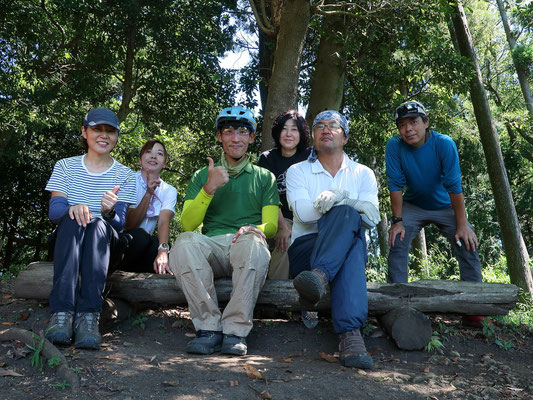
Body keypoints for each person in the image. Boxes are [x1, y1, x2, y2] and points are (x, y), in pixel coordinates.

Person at [169, 106, 279, 356]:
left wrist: (255, 228)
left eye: (242, 132)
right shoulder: (202, 175)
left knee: (254, 242)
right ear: (219, 137)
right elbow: (187, 224)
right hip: (213, 247)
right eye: (228, 131)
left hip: (246, 244)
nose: (235, 138)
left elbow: (270, 226)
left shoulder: (264, 177)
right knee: (184, 242)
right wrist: (209, 188)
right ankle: (208, 328)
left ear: (251, 137)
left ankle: (235, 331)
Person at [286, 110, 380, 369]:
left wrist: (341, 198)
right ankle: (351, 336)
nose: (326, 129)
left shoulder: (363, 173)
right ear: (314, 137)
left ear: (345, 136)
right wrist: (347, 207)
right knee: (349, 224)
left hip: (329, 263)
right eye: (320, 126)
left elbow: (373, 218)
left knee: (349, 227)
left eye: (333, 126)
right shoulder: (298, 171)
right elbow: (304, 214)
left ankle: (321, 277)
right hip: (306, 249)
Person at [45, 108, 137, 349]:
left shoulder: (125, 174)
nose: (104, 135)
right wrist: (72, 208)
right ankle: (61, 315)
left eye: (110, 131)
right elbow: (55, 213)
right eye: (97, 129)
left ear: (117, 137)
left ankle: (88, 317)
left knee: (97, 223)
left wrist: (108, 212)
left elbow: (120, 224)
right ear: (84, 132)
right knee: (76, 219)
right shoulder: (65, 166)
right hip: (69, 239)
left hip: (106, 245)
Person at [386, 101, 483, 327]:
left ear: (426, 122)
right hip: (413, 205)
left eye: (413, 122)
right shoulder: (394, 146)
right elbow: (395, 184)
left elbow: (454, 186)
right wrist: (397, 221)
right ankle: (396, 306)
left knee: (467, 241)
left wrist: (462, 224)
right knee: (397, 239)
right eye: (402, 125)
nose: (408, 129)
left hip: (446, 205)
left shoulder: (444, 144)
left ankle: (475, 311)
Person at [257, 109, 311, 280]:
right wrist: (282, 226)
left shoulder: (310, 157)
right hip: (276, 217)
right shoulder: (267, 159)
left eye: (294, 129)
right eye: (284, 129)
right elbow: (268, 195)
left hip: (306, 218)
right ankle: (275, 296)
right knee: (284, 241)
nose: (288, 134)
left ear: (301, 134)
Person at [119, 140, 177, 274]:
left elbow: (163, 221)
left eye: (159, 153)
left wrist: (163, 251)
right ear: (140, 160)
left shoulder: (169, 190)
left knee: (159, 245)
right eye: (149, 152)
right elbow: (129, 224)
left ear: (164, 164)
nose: (153, 156)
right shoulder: (128, 180)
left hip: (143, 249)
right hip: (121, 243)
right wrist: (148, 194)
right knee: (141, 236)